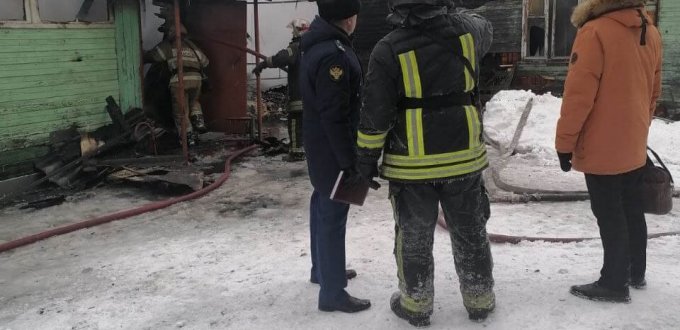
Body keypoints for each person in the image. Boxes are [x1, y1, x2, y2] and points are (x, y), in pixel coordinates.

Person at [355, 0, 495, 326]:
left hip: (412, 167)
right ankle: (480, 299)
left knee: (414, 238)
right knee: (471, 232)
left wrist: (365, 161)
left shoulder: (387, 49)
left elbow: (375, 115)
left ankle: (416, 305)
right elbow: (484, 25)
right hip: (464, 160)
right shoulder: (470, 32)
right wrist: (453, 13)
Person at [555, 0, 662, 303]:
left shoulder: (594, 31)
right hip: (634, 142)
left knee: (609, 213)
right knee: (631, 207)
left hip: (601, 146)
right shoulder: (650, 30)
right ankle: (635, 271)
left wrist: (565, 144)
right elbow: (654, 91)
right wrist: (639, 126)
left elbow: (578, 96)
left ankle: (614, 283)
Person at [298, 0, 370, 314]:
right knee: (332, 216)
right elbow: (335, 115)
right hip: (332, 148)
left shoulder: (318, 44)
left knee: (321, 203)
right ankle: (332, 292)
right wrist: (348, 161)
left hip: (319, 144)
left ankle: (323, 271)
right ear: (349, 18)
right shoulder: (333, 55)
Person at [253, 19, 310, 161]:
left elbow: (281, 58)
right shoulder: (313, 48)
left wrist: (263, 64)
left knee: (295, 123)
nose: (292, 33)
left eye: (293, 30)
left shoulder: (296, 48)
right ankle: (308, 151)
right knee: (308, 125)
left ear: (298, 31)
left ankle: (297, 153)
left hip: (298, 96)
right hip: (312, 97)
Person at [144, 23, 210, 146]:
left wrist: (142, 54)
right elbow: (205, 62)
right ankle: (198, 120)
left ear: (170, 33)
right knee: (194, 101)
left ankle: (188, 137)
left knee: (181, 112)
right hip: (197, 80)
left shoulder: (168, 45)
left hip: (179, 81)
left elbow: (154, 56)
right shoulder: (192, 46)